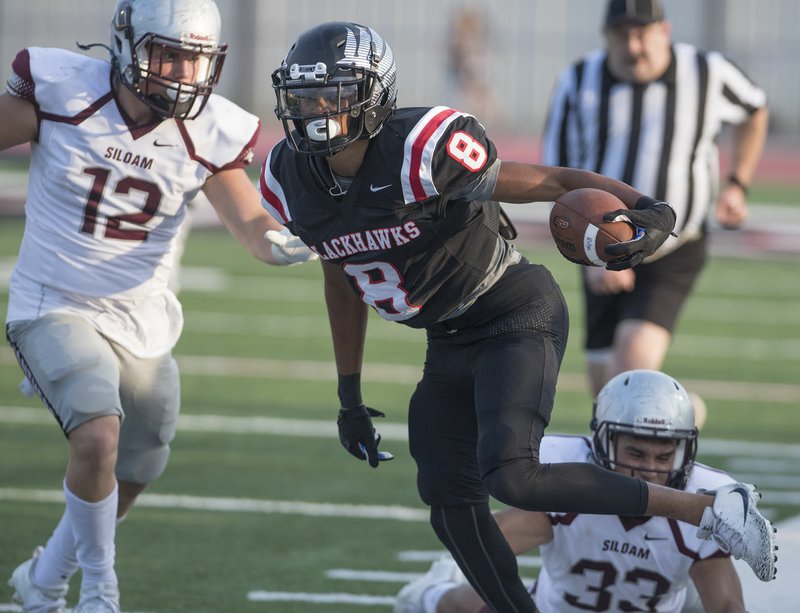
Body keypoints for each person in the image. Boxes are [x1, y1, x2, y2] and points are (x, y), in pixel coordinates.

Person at [259, 21, 776, 612]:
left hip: (514, 309)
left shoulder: (421, 147)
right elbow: (341, 276)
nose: (315, 110)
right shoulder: (286, 177)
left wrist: (639, 206)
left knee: (513, 475)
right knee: (448, 501)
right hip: (447, 338)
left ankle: (710, 509)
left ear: (374, 94)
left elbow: (550, 181)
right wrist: (348, 394)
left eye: (333, 94)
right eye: (305, 96)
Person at [2, 0, 316, 611]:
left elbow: (249, 220)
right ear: (125, 42)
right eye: (168, 53)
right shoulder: (65, 91)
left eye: (194, 61)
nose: (180, 73)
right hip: (54, 300)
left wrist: (282, 242)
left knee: (139, 465)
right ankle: (98, 591)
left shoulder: (210, 129)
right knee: (97, 438)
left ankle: (42, 579)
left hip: (142, 317)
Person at [540, 0, 769, 405]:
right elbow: (558, 175)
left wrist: (738, 181)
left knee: (630, 368)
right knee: (605, 392)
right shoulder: (579, 80)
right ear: (606, 36)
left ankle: (660, 425)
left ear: (664, 31)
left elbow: (755, 108)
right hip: (605, 246)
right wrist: (592, 256)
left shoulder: (707, 72)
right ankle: (667, 424)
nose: (633, 47)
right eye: (621, 35)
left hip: (675, 246)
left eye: (641, 34)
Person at [394, 369, 747, 613]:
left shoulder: (703, 499)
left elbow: (728, 606)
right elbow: (484, 545)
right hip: (553, 607)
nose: (651, 469)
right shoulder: (574, 483)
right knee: (465, 601)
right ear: (604, 446)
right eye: (636, 453)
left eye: (664, 455)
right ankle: (431, 594)